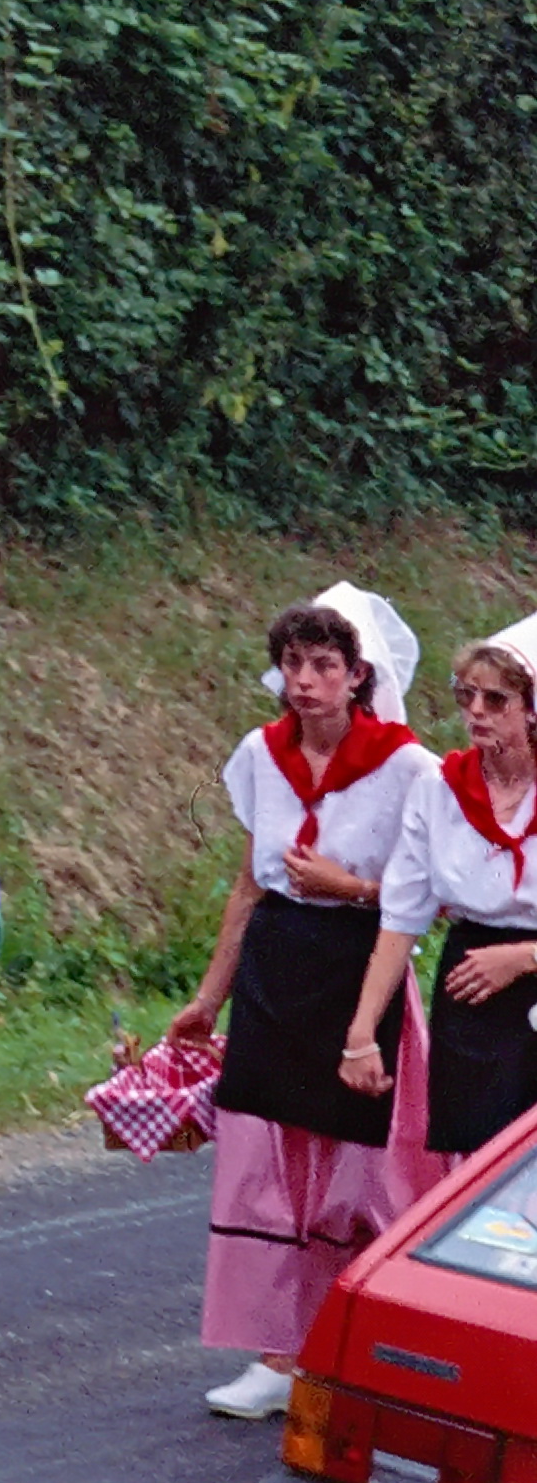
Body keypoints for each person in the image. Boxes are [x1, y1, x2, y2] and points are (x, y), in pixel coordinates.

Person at [171, 593, 450, 1418]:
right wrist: (208, 996)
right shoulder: (262, 754)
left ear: (359, 675)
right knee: (270, 1161)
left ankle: (355, 1339)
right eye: (294, 662)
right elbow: (253, 879)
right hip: (278, 966)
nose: (304, 680)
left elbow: (429, 895)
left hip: (359, 969)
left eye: (324, 664)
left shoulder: (409, 767)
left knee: (356, 1167)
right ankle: (276, 1351)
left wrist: (351, 887)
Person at [344, 621, 537, 1160]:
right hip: (471, 992)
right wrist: (360, 1035)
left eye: (496, 698)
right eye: (466, 694)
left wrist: (524, 958)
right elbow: (402, 916)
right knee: (477, 1169)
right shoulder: (439, 790)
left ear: (532, 708)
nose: (476, 710)